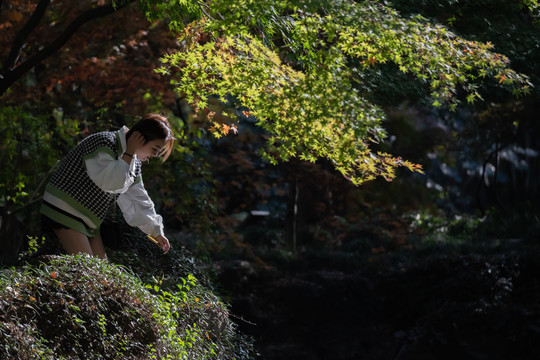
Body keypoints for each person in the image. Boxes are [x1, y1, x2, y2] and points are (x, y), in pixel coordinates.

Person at [40, 113, 174, 259]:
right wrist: (128, 153)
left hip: (87, 218)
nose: (154, 155)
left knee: (102, 271)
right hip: (64, 208)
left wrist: (156, 231)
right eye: (155, 149)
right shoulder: (105, 143)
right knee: (89, 271)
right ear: (140, 138)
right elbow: (111, 183)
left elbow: (139, 198)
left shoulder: (132, 162)